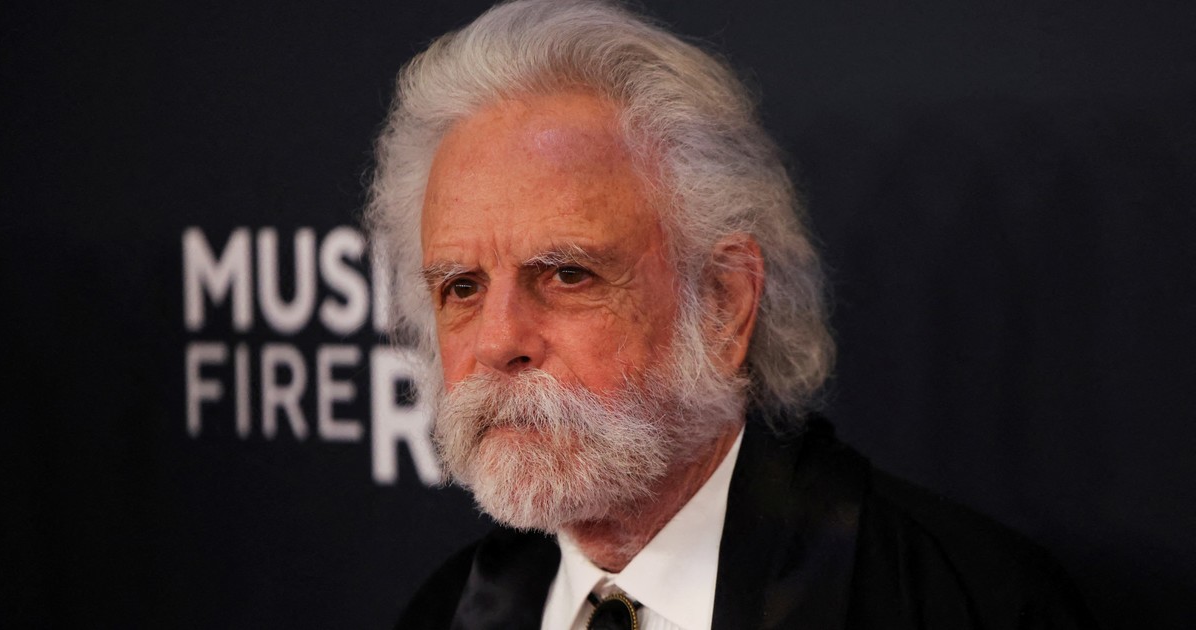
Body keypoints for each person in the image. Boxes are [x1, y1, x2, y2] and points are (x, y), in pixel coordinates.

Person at [366, 1, 1096, 628]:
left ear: (723, 304)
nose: (498, 341)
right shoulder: (445, 610)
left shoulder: (961, 605)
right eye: (461, 288)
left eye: (566, 274)